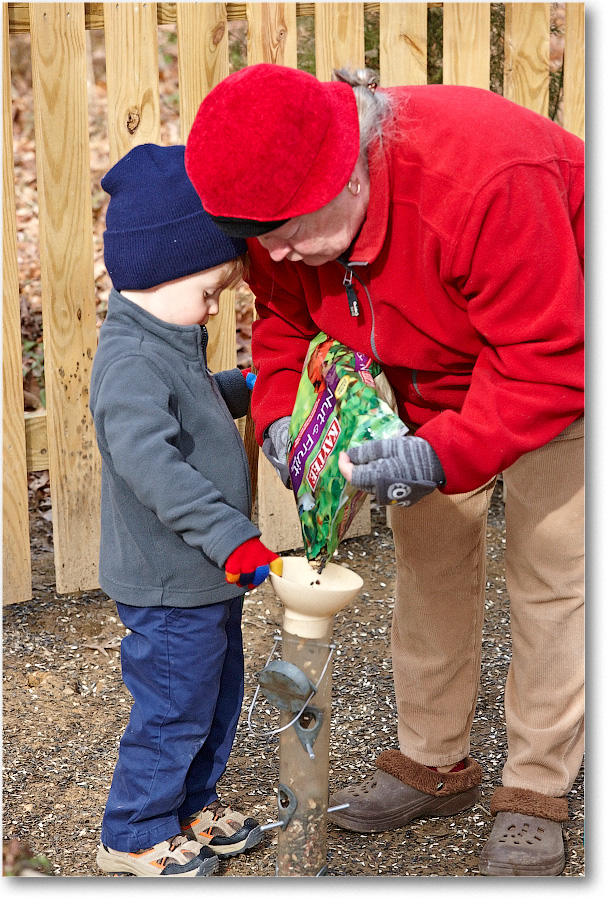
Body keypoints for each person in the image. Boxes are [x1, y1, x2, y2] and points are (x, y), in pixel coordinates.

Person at [184, 64, 584, 877]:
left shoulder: (487, 179)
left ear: (355, 165)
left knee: (553, 572)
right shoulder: (280, 219)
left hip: (564, 352)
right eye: (257, 239)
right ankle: (433, 763)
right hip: (433, 380)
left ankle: (537, 786)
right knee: (429, 559)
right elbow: (287, 327)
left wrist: (444, 453)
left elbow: (550, 358)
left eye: (289, 232)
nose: (276, 254)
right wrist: (282, 420)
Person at [89, 143, 282, 877]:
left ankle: (187, 808)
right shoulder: (131, 360)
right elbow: (154, 468)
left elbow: (193, 406)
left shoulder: (169, 337)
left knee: (213, 697)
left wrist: (252, 384)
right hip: (171, 583)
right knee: (172, 710)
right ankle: (132, 834)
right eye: (208, 290)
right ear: (160, 266)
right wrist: (235, 537)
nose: (212, 305)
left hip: (204, 579)